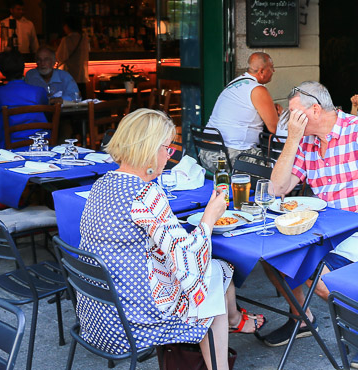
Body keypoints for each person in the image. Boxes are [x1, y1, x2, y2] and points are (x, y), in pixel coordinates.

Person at [78, 109, 265, 370]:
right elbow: (188, 259)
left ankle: (230, 327)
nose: (171, 155)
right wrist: (209, 218)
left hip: (97, 316)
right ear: (149, 149)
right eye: (167, 148)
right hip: (133, 323)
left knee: (214, 273)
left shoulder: (102, 184)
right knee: (211, 279)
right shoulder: (145, 194)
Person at [261, 82, 358, 350]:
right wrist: (292, 139)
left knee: (322, 281)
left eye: (294, 113)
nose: (290, 120)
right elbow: (277, 189)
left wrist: (357, 220)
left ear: (314, 109)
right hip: (327, 229)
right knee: (272, 255)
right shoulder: (306, 141)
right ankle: (301, 318)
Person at [201, 52, 283, 170]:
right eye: (272, 67)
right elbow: (275, 128)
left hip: (206, 153)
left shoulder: (234, 83)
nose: (274, 71)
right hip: (229, 157)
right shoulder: (258, 89)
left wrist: (270, 108)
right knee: (280, 167)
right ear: (262, 71)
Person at [0, 50, 48, 150]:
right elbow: (47, 113)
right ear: (23, 67)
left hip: (5, 148)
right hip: (38, 145)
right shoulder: (39, 92)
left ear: (2, 70)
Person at [55, 17, 90, 98]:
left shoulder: (66, 39)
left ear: (67, 26)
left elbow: (59, 57)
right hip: (81, 76)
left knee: (69, 103)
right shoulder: (84, 38)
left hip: (69, 75)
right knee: (82, 103)